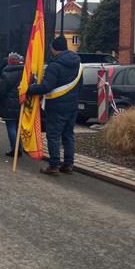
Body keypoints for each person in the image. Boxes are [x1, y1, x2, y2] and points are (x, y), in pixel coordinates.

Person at [27, 36, 82, 175]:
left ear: (53, 48)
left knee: (53, 136)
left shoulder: (55, 65)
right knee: (68, 135)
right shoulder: (78, 64)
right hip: (72, 106)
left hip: (57, 107)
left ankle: (54, 165)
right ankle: (68, 164)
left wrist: (30, 89)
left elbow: (47, 86)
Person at [0, 52, 24, 157]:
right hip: (22, 103)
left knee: (11, 126)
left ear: (9, 61)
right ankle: (20, 147)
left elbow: (1, 91)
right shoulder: (24, 72)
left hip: (9, 104)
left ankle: (15, 149)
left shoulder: (6, 73)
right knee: (18, 126)